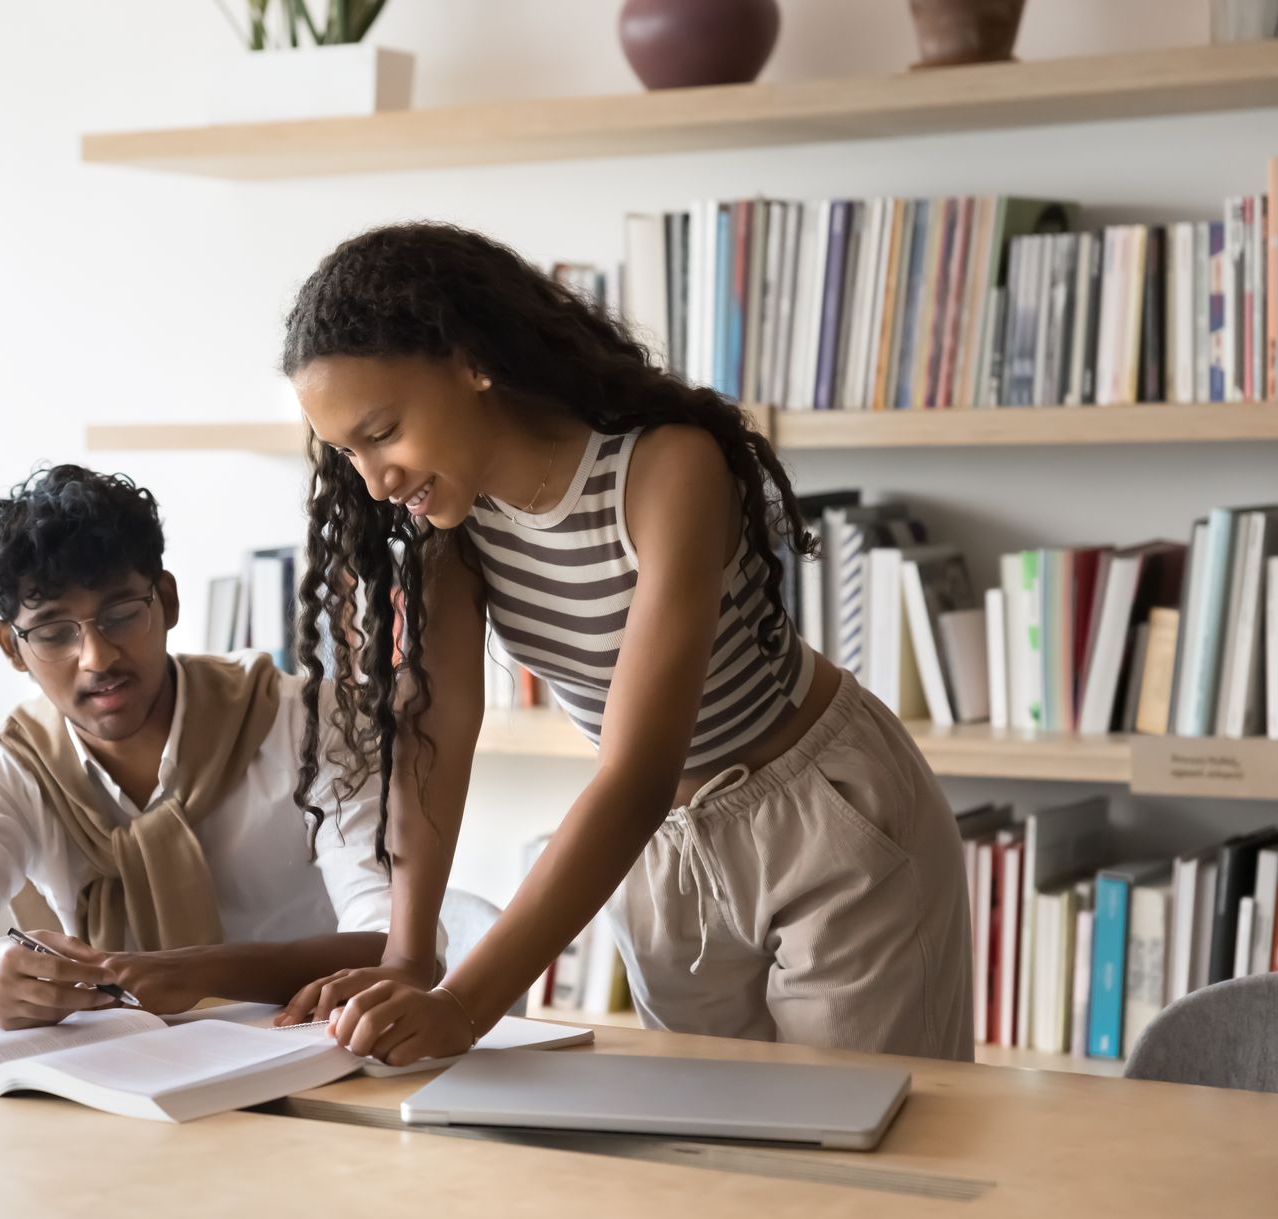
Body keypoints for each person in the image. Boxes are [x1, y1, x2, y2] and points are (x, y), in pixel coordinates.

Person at [276, 222, 973, 1066]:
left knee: (864, 1138)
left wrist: (464, 1004)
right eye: (348, 451)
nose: (374, 479)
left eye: (382, 432)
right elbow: (434, 735)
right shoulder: (446, 527)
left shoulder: (666, 469)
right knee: (705, 1151)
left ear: (469, 360)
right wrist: (407, 958)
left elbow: (638, 774)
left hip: (821, 817)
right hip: (666, 852)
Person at [0, 464, 395, 1029]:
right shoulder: (11, 764)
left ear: (167, 602)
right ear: (11, 647)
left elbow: (394, 945)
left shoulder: (308, 720)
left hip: (308, 1047)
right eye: (54, 633)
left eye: (121, 615)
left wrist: (199, 972)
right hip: (118, 1073)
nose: (97, 658)